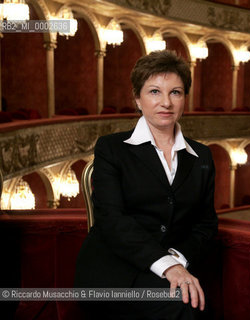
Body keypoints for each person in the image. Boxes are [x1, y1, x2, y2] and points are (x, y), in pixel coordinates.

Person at [74, 50, 218, 320]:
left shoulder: (203, 156)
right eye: (154, 92)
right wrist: (167, 266)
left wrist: (177, 260)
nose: (166, 102)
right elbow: (112, 219)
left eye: (175, 92)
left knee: (196, 304)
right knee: (183, 306)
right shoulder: (111, 148)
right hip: (112, 272)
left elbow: (206, 225)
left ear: (185, 98)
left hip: (172, 266)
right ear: (137, 98)